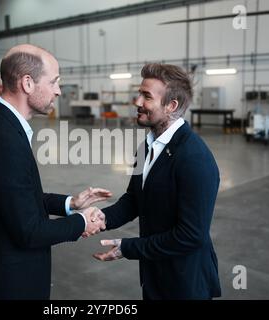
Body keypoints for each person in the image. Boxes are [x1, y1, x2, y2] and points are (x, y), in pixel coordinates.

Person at [0, 44, 109, 300]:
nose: (58, 90)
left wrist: (71, 203)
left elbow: (17, 199)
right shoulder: (3, 138)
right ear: (27, 83)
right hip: (9, 281)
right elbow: (29, 231)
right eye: (53, 82)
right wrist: (82, 221)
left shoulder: (1, 127)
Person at [92, 64, 221, 300]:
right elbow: (134, 199)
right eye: (139, 93)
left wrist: (128, 248)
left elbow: (191, 236)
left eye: (147, 96)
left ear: (171, 106)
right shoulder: (147, 146)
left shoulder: (194, 158)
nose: (137, 102)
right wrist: (103, 219)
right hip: (154, 276)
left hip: (185, 284)